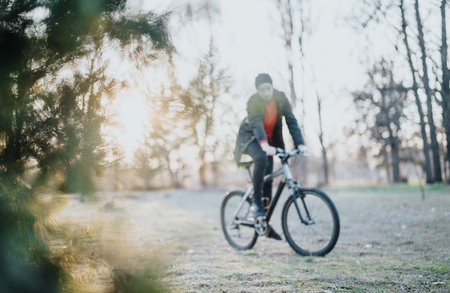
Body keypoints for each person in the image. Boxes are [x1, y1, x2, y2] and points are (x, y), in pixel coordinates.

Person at [234, 73, 306, 240]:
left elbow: (291, 120)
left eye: (268, 88)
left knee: (268, 176)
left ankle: (264, 223)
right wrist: (264, 144)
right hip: (251, 139)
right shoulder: (253, 102)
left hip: (270, 142)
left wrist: (300, 143)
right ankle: (257, 204)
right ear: (257, 91)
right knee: (260, 158)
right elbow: (257, 124)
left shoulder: (280, 99)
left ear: (272, 87)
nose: (266, 93)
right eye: (262, 90)